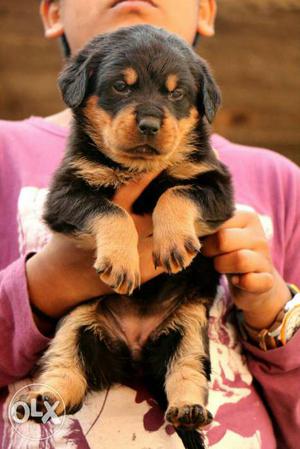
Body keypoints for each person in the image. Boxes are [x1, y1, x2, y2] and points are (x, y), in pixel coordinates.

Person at [0, 1, 299, 448]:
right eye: (121, 88)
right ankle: (52, 399)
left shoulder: (279, 181)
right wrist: (43, 286)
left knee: (188, 337)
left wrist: (275, 316)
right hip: (96, 326)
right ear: (53, 13)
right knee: (73, 345)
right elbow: (72, 201)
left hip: (178, 309)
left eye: (175, 96)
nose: (148, 118)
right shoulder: (7, 154)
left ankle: (186, 404)